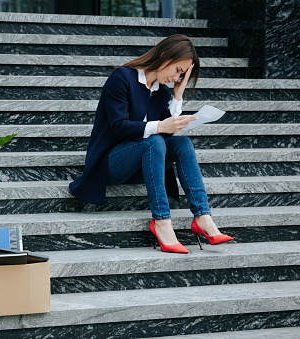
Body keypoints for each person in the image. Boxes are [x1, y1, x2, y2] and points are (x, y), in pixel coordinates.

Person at [69, 34, 233, 254]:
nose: (177, 77)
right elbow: (118, 127)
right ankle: (162, 221)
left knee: (182, 143)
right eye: (177, 71)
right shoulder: (122, 77)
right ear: (165, 56)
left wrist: (178, 96)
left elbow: (166, 130)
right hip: (110, 163)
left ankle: (203, 217)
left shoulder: (160, 91)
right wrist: (160, 127)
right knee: (154, 139)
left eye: (182, 75)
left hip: (143, 161)